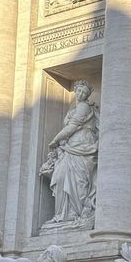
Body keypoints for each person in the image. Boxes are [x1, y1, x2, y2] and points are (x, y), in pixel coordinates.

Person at [41, 80, 99, 229]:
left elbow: (72, 127)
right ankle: (62, 214)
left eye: (84, 92)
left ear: (87, 95)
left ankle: (74, 213)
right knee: (61, 177)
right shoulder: (74, 108)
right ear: (75, 91)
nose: (80, 94)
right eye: (79, 91)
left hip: (82, 145)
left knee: (79, 180)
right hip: (70, 147)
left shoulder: (84, 107)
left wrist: (55, 140)